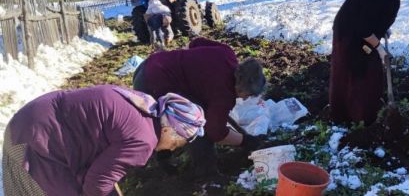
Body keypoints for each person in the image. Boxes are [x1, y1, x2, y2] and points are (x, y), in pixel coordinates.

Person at [2, 85, 205, 196]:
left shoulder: (145, 105)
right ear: (169, 130)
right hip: (39, 137)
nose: (173, 148)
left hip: (36, 117)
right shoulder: (143, 141)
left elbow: (104, 164)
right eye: (178, 143)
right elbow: (97, 184)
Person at [132, 37, 266, 178]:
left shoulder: (227, 53)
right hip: (153, 85)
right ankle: (206, 174)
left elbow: (196, 42)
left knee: (194, 114)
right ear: (242, 89)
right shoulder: (223, 94)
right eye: (248, 95)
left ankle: (165, 155)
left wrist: (191, 70)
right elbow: (216, 133)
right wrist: (245, 141)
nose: (245, 98)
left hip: (150, 64)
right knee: (197, 126)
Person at [329, 0, 409, 126]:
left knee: (371, 71)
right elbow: (362, 25)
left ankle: (369, 112)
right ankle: (349, 117)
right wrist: (379, 48)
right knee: (352, 71)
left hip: (366, 35)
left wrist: (382, 29)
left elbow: (378, 16)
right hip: (348, 32)